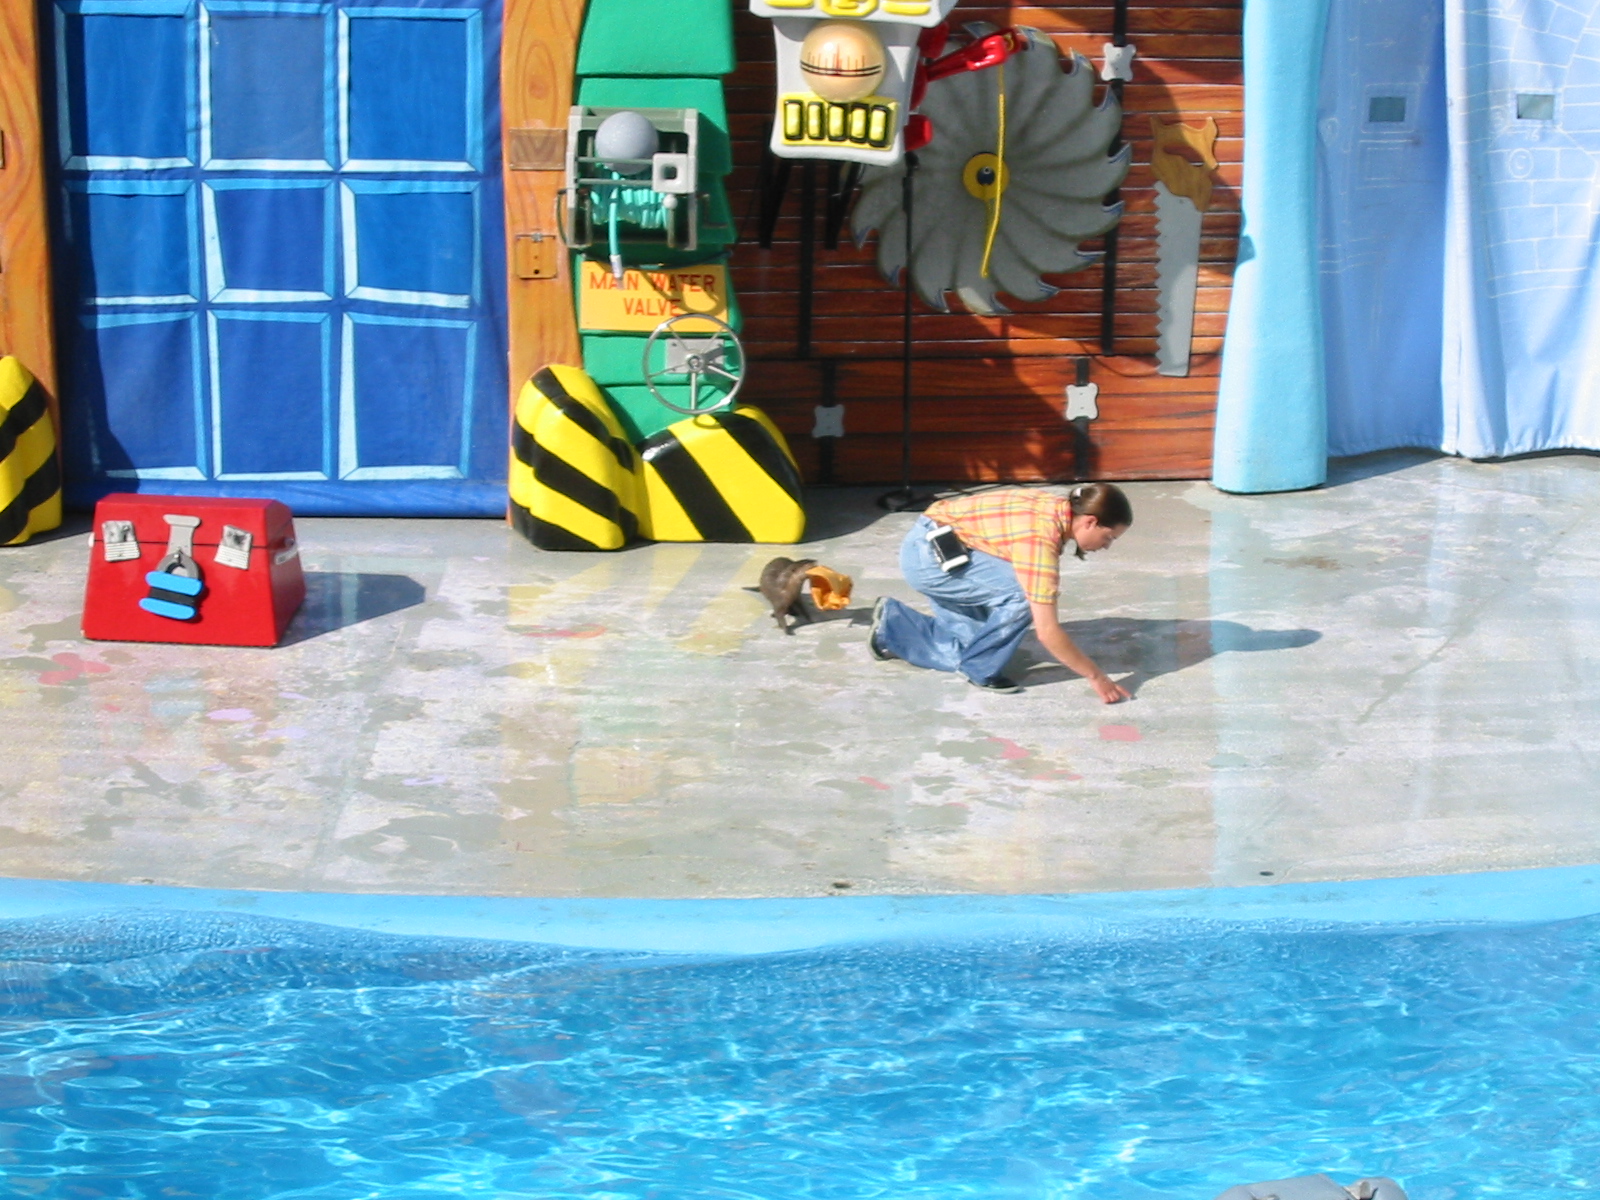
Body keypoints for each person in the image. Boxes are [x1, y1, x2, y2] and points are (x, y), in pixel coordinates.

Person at [867, 483, 1132, 702]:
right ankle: (979, 669)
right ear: (1090, 522)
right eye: (1108, 537)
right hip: (932, 560)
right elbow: (1047, 631)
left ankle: (891, 627)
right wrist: (1097, 676)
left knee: (966, 646)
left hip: (940, 544)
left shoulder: (1053, 506)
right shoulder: (1040, 539)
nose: (1106, 546)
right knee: (1025, 595)